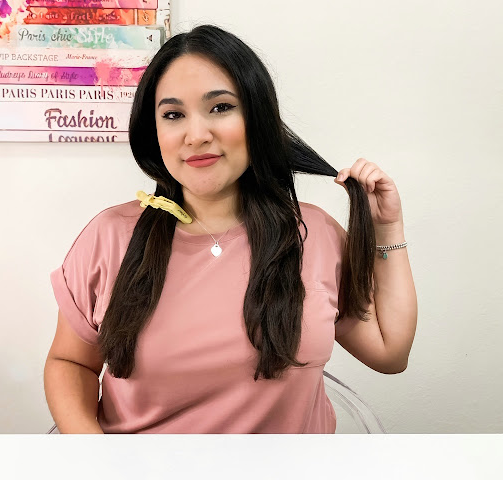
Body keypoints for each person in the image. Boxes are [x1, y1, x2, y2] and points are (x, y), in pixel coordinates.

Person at [43, 24, 417, 434]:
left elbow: (389, 353)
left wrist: (387, 228)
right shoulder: (110, 236)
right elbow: (70, 362)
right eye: (173, 115)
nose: (196, 135)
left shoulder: (314, 234)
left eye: (220, 107)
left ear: (256, 117)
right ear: (154, 132)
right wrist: (97, 456)